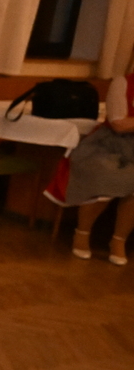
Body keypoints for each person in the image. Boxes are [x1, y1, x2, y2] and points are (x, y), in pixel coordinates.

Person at [66, 70, 134, 264]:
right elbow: (118, 123)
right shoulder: (122, 83)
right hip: (110, 143)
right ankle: (82, 232)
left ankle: (119, 240)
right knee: (105, 175)